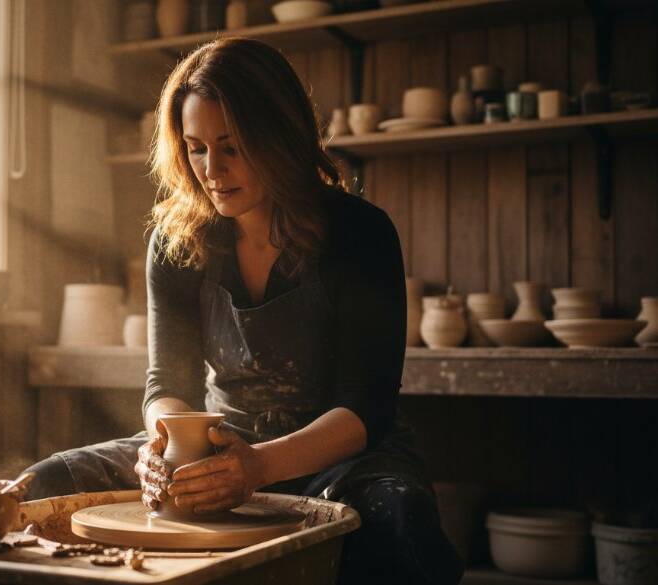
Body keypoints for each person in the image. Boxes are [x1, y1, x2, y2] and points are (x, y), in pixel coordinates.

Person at [23, 37, 463, 585]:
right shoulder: (176, 240)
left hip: (337, 455)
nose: (211, 169)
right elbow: (167, 382)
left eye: (231, 147)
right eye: (196, 147)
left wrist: (259, 467)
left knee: (399, 522)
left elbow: (364, 409)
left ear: (279, 136)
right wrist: (162, 449)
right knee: (45, 484)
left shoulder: (359, 233)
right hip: (217, 446)